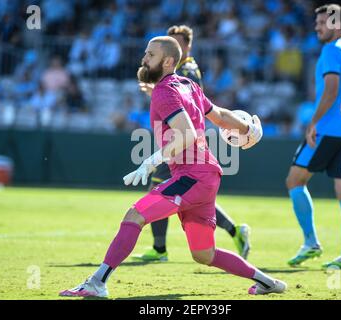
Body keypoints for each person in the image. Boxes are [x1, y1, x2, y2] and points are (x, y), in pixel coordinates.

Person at [60, 36, 286, 297]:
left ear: (168, 61)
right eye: (145, 53)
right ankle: (268, 282)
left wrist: (150, 161)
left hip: (193, 175)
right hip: (205, 175)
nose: (144, 59)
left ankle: (97, 283)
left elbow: (187, 134)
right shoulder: (188, 85)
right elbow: (221, 116)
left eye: (151, 55)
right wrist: (248, 128)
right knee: (204, 254)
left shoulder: (164, 91)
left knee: (135, 215)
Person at [135, 25, 251, 262]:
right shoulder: (184, 71)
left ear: (186, 46)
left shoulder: (187, 71)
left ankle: (160, 249)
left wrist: (155, 91)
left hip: (186, 143)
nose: (173, 45)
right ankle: (233, 230)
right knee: (191, 197)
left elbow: (185, 104)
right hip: (182, 139)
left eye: (177, 42)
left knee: (161, 189)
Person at [286, 4, 341, 270]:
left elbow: (331, 91)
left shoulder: (331, 51)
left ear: (335, 24)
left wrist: (313, 122)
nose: (317, 27)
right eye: (317, 22)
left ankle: (310, 242)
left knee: (295, 180)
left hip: (328, 130)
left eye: (322, 23)